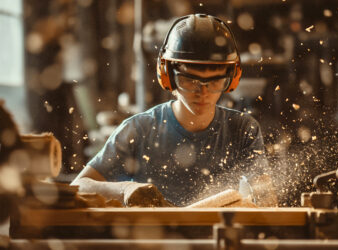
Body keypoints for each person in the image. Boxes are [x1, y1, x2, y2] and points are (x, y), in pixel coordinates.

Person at [71, 14, 273, 207]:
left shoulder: (243, 129)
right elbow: (80, 185)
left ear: (231, 78)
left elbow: (265, 197)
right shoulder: (139, 129)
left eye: (214, 81)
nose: (202, 92)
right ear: (167, 75)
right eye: (190, 80)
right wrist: (125, 189)